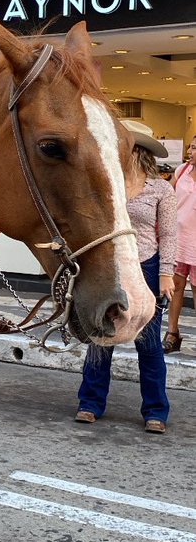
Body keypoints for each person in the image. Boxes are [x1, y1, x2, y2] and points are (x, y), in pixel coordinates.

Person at [75, 119, 176, 434]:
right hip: (110, 266)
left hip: (146, 266)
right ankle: (90, 403)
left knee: (149, 344)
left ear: (140, 151)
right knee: (101, 336)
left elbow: (169, 236)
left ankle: (155, 410)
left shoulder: (160, 188)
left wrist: (166, 275)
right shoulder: (110, 182)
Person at [162, 136, 196, 354]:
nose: (191, 151)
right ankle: (172, 333)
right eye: (191, 147)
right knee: (176, 289)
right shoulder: (182, 170)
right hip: (179, 239)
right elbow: (167, 196)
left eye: (195, 148)